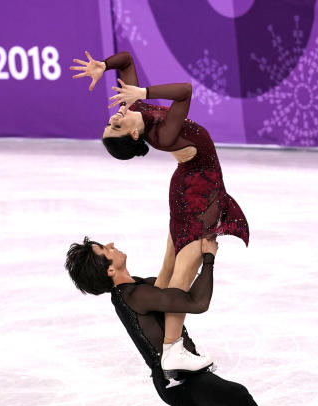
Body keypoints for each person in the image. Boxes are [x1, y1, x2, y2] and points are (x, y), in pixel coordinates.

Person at [64, 236, 301, 406]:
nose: (111, 244)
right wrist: (208, 259)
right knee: (236, 395)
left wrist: (175, 231)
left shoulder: (136, 288)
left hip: (183, 376)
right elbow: (196, 303)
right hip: (177, 383)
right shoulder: (135, 295)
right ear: (110, 269)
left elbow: (169, 271)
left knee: (218, 393)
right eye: (105, 249)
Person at [70, 50, 250, 381]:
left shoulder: (133, 109)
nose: (114, 118)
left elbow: (125, 60)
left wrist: (103, 66)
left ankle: (165, 338)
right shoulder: (163, 135)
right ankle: (173, 351)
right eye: (115, 126)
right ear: (134, 136)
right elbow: (185, 91)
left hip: (186, 188)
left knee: (167, 271)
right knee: (180, 276)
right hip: (200, 194)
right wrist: (145, 93)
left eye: (111, 123)